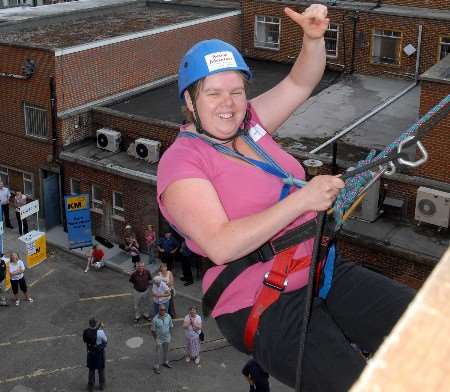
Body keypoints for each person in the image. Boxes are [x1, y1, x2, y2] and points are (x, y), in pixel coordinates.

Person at [156, 5, 415, 391]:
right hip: (262, 301)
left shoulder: (250, 125)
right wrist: (302, 200)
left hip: (318, 269)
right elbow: (221, 243)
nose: (227, 104)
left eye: (236, 92)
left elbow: (299, 83)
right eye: (213, 94)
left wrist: (313, 39)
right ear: (190, 102)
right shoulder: (181, 163)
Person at [83, 318, 107, 392]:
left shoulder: (86, 331)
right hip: (99, 353)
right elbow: (105, 341)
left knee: (91, 369)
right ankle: (101, 385)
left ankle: (91, 386)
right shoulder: (100, 332)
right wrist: (100, 329)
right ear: (95, 324)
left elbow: (85, 340)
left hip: (90, 352)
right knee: (101, 369)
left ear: (89, 324)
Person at [151, 304, 173, 374]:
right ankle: (156, 367)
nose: (163, 311)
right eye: (161, 310)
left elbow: (170, 326)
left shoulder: (168, 316)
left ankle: (165, 362)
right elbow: (153, 330)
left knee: (166, 351)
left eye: (164, 309)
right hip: (159, 338)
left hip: (167, 337)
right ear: (159, 310)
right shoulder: (155, 319)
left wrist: (169, 334)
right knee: (158, 353)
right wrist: (156, 339)